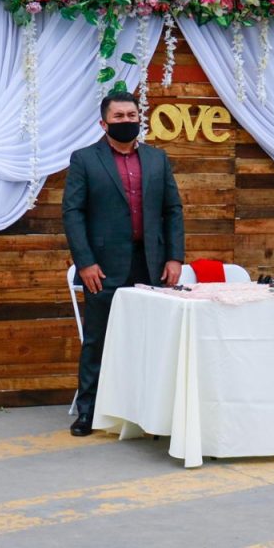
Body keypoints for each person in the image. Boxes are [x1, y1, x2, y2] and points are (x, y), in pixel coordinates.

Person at [62, 92, 185, 436]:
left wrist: (175, 256)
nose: (126, 120)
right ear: (104, 123)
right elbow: (73, 213)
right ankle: (88, 411)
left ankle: (150, 413)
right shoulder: (85, 159)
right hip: (103, 267)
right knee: (98, 341)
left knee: (152, 339)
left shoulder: (157, 159)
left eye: (131, 114)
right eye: (118, 116)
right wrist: (85, 262)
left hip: (152, 264)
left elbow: (172, 210)